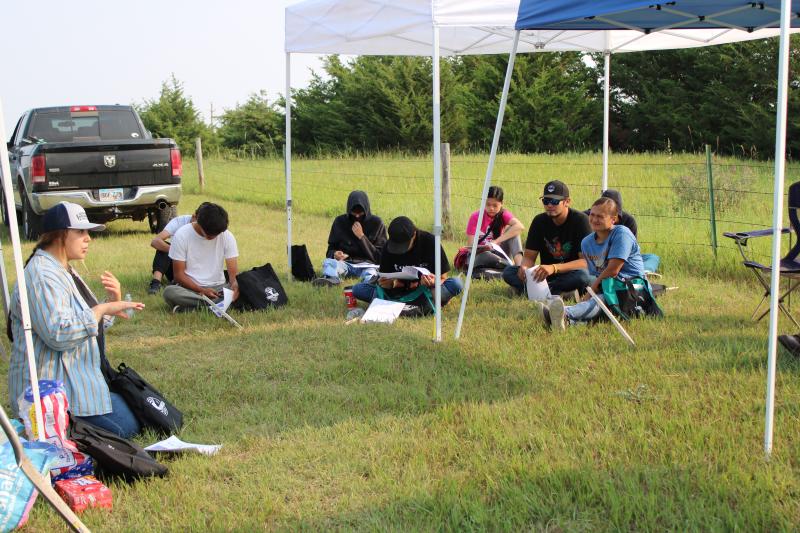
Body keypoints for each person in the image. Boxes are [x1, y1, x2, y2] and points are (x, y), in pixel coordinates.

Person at [7, 202, 145, 438]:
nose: (88, 238)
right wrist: (102, 309)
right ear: (60, 235)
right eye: (80, 232)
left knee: (141, 406)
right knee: (130, 426)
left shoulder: (60, 268)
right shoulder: (42, 274)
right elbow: (59, 334)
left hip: (74, 383)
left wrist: (109, 307)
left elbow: (81, 322)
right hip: (51, 398)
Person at [539, 197, 645, 330]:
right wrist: (594, 291)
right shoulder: (587, 243)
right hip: (608, 288)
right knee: (601, 300)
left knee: (602, 299)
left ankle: (564, 313)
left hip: (633, 287)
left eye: (600, 216)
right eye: (592, 215)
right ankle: (566, 322)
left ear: (613, 219)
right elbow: (596, 274)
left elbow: (612, 271)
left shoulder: (622, 234)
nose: (594, 220)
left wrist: (590, 292)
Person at [502, 180, 593, 297]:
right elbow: (529, 257)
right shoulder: (539, 221)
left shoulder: (581, 220)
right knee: (509, 272)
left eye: (554, 201)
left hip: (570, 273)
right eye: (546, 201)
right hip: (545, 274)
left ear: (567, 202)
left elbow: (585, 262)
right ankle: (560, 292)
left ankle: (530, 291)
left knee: (584, 277)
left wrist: (554, 268)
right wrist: (525, 268)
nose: (549, 205)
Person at [352, 216, 463, 306]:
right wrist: (388, 284)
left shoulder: (430, 242)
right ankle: (428, 302)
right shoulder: (388, 247)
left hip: (426, 290)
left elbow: (443, 278)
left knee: (456, 284)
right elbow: (386, 279)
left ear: (414, 235)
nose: (400, 250)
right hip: (398, 291)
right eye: (396, 246)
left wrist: (433, 282)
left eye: (403, 246)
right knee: (358, 289)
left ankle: (402, 302)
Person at [162, 202, 239, 312]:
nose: (215, 237)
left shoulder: (227, 236)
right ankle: (218, 305)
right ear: (199, 224)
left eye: (217, 234)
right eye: (211, 235)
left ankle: (192, 308)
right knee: (169, 292)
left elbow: (233, 275)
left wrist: (235, 287)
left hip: (219, 288)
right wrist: (201, 290)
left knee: (245, 287)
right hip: (190, 288)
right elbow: (179, 275)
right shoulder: (182, 235)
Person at [312, 190, 387, 287]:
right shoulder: (340, 222)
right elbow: (330, 250)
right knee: (329, 262)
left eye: (360, 213)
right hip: (345, 263)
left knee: (371, 274)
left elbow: (380, 257)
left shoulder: (377, 223)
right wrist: (335, 254)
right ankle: (331, 279)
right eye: (353, 213)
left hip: (368, 265)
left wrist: (362, 237)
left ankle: (368, 284)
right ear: (348, 210)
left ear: (366, 210)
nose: (357, 216)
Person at [147, 203, 210, 294]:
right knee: (165, 246)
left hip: (197, 270)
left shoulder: (209, 230)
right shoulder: (179, 222)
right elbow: (155, 242)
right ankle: (156, 283)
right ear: (194, 216)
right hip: (177, 266)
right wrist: (178, 251)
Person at [464, 185, 525, 266]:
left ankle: (519, 267)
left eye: (495, 205)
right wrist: (484, 249)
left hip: (499, 252)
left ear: (502, 203)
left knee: (514, 232)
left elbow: (520, 227)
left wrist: (496, 241)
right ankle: (507, 265)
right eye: (488, 205)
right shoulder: (475, 217)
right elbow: (470, 248)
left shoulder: (503, 214)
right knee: (487, 255)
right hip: (480, 255)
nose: (491, 208)